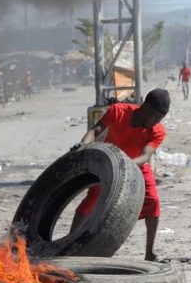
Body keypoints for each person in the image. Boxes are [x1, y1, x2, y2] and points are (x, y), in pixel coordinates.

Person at [71, 89, 170, 261]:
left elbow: (146, 156)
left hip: (137, 166)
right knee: (90, 202)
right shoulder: (117, 111)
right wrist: (82, 147)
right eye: (154, 116)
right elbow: (95, 131)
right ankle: (70, 243)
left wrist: (126, 164)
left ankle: (149, 252)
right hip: (108, 163)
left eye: (160, 119)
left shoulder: (157, 131)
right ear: (144, 107)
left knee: (153, 202)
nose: (156, 122)